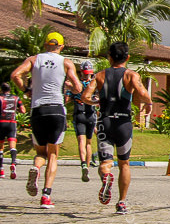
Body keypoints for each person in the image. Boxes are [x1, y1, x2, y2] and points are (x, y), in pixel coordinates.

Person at [10, 32, 82, 209]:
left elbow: (15, 75)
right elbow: (79, 87)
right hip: (56, 109)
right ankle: (46, 195)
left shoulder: (34, 60)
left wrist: (27, 90)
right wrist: (69, 86)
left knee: (41, 153)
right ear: (62, 47)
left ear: (45, 45)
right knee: (53, 155)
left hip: (38, 109)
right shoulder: (66, 62)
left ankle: (36, 168)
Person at [81, 42, 153, 215]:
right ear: (127, 57)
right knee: (124, 164)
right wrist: (149, 103)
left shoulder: (99, 76)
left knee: (105, 163)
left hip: (105, 122)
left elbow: (85, 96)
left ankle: (106, 176)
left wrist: (94, 102)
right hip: (123, 124)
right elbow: (142, 93)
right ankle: (121, 202)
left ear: (109, 57)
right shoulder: (131, 75)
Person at [67, 60, 98, 182]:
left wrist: (68, 89)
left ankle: (83, 164)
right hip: (91, 114)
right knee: (89, 143)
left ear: (81, 72)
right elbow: (98, 99)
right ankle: (88, 168)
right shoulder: (94, 85)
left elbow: (67, 99)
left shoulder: (76, 85)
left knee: (81, 140)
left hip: (79, 113)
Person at [0, 82, 26, 179]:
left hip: (1, 122)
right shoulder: (16, 98)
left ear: (1, 90)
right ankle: (13, 163)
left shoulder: (0, 97)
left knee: (1, 147)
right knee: (12, 145)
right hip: (12, 123)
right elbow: (23, 110)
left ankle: (1, 170)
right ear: (10, 89)